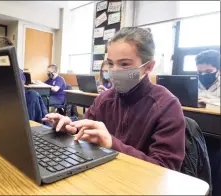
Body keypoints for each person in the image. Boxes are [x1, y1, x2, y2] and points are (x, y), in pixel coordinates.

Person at [43, 27, 185, 171]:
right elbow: (87, 133)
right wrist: (70, 128)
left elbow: (166, 170)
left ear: (148, 67)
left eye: (124, 64)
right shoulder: (104, 99)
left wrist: (112, 144)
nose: (114, 71)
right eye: (110, 63)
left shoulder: (167, 106)